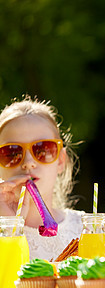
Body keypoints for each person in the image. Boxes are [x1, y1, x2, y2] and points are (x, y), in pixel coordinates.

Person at [0, 96, 83, 260]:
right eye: (12, 153)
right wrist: (8, 229)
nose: (28, 163)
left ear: (60, 161)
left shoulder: (87, 229)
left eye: (42, 150)